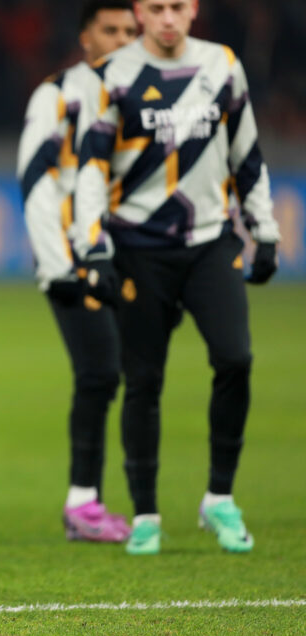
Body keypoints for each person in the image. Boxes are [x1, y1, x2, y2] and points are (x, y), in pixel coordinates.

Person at [73, 0, 280, 555]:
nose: (168, 18)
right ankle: (146, 513)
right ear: (141, 12)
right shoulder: (112, 76)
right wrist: (91, 248)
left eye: (178, 7)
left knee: (235, 358)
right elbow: (91, 168)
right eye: (157, 8)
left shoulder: (222, 65)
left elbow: (247, 154)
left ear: (194, 11)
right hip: (138, 248)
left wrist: (265, 228)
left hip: (210, 242)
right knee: (144, 380)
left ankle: (219, 498)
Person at [16, 0, 138, 543]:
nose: (121, 39)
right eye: (109, 30)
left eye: (128, 31)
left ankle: (118, 499)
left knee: (130, 373)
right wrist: (60, 262)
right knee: (100, 371)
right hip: (73, 256)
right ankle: (83, 502)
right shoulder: (58, 94)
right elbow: (35, 175)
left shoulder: (145, 95)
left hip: (127, 254)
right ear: (85, 38)